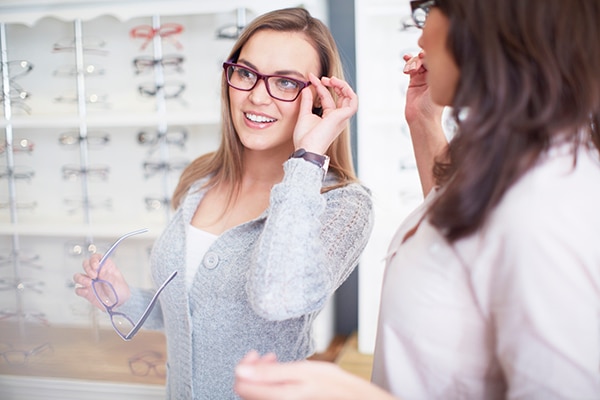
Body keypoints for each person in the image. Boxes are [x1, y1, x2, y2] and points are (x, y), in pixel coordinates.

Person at [233, 0, 600, 398]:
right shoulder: (515, 157)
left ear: (487, 27)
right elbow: (459, 240)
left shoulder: (551, 207)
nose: (421, 37)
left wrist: (350, 394)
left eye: (427, 16)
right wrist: (424, 122)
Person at [73, 7, 373, 399]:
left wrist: (308, 159)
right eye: (246, 74)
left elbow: (278, 298)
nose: (256, 96)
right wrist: (128, 300)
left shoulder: (342, 205)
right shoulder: (201, 179)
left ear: (320, 99)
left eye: (285, 82)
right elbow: (197, 314)